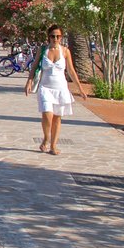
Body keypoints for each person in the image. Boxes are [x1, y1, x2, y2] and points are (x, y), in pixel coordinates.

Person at [25, 24, 87, 155]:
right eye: (53, 36)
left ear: (61, 37)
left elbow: (71, 71)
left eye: (58, 36)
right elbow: (35, 66)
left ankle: (53, 145)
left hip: (60, 88)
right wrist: (29, 82)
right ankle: (46, 138)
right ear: (48, 37)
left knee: (57, 118)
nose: (55, 38)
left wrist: (80, 89)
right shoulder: (43, 50)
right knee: (47, 114)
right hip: (45, 87)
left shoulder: (65, 51)